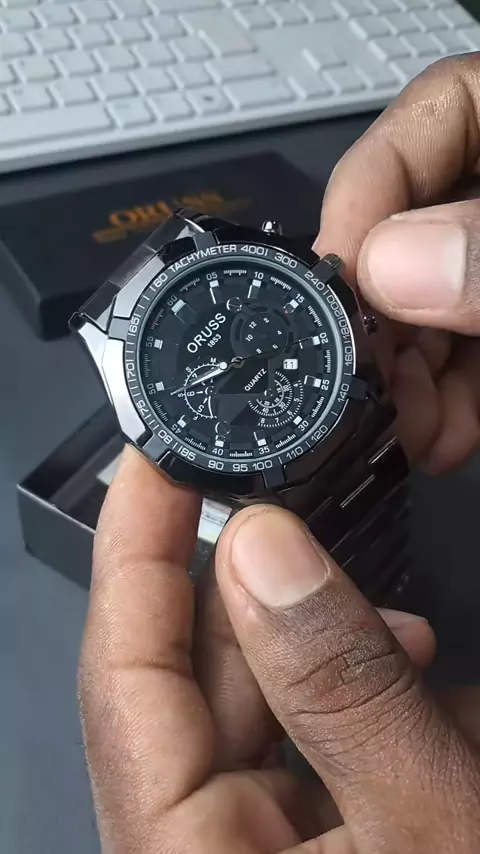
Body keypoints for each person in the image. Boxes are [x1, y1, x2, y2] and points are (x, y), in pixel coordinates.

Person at [78, 55, 480, 853]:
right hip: (305, 459)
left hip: (353, 410)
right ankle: (378, 580)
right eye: (206, 373)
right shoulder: (171, 406)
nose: (226, 365)